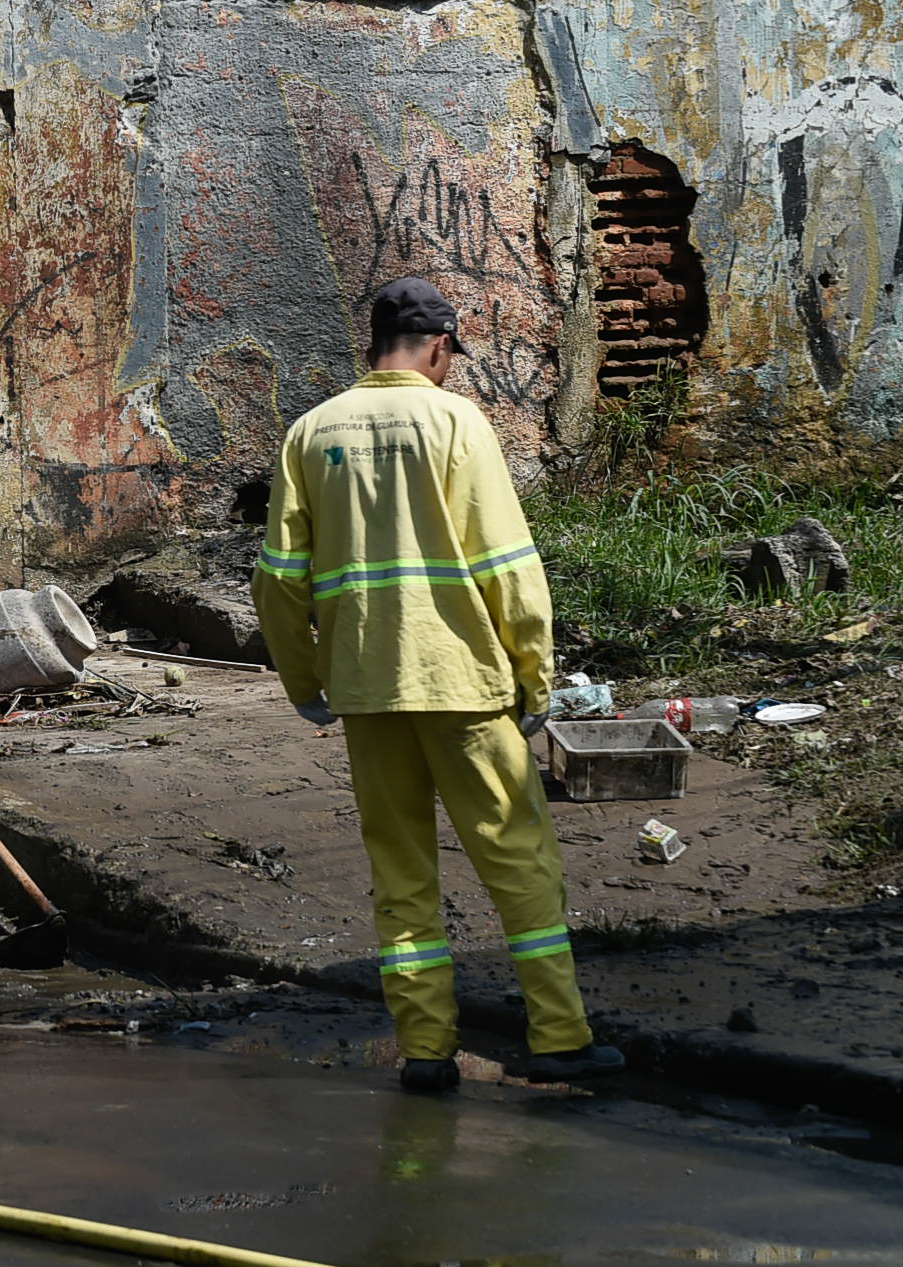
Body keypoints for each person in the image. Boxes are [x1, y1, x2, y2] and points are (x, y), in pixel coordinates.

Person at [251, 278, 624, 1091]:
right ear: (440, 346)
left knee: (401, 870)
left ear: (374, 344)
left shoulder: (311, 432)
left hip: (366, 690)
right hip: (464, 684)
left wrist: (304, 682)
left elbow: (277, 578)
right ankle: (559, 1037)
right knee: (516, 857)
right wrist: (536, 678)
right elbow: (509, 565)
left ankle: (426, 1052)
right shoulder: (457, 423)